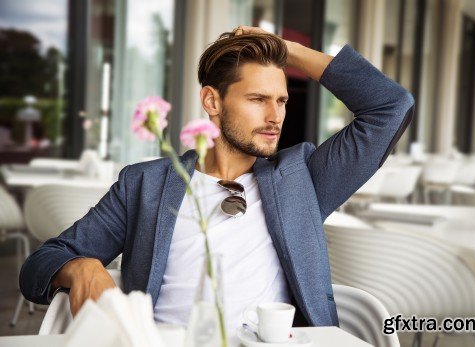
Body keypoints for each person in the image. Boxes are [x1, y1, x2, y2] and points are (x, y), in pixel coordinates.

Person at [20, 26, 414, 331]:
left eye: (281, 101)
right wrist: (80, 267)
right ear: (212, 101)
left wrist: (284, 48)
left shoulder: (303, 178)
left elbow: (390, 106)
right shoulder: (145, 184)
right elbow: (40, 264)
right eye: (258, 100)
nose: (275, 117)